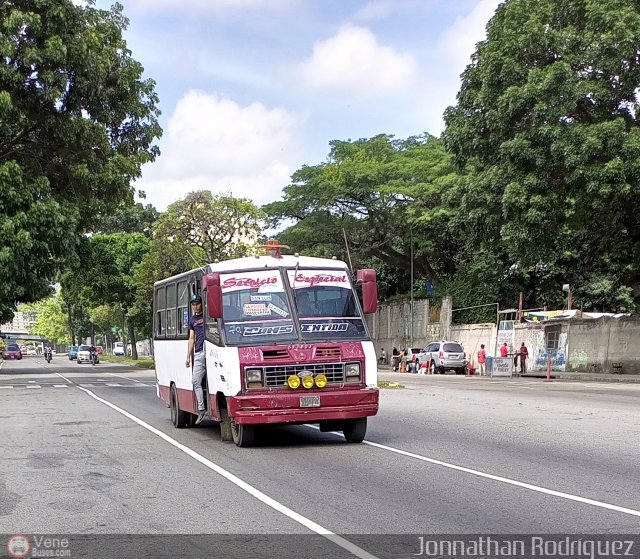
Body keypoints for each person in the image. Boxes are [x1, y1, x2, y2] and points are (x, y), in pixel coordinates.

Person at [186, 294, 207, 425]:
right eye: (193, 304)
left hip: (211, 350)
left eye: (197, 304)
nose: (195, 306)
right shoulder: (192, 320)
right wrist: (188, 356)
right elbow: (191, 338)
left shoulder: (208, 316)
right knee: (195, 380)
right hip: (199, 353)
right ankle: (201, 408)